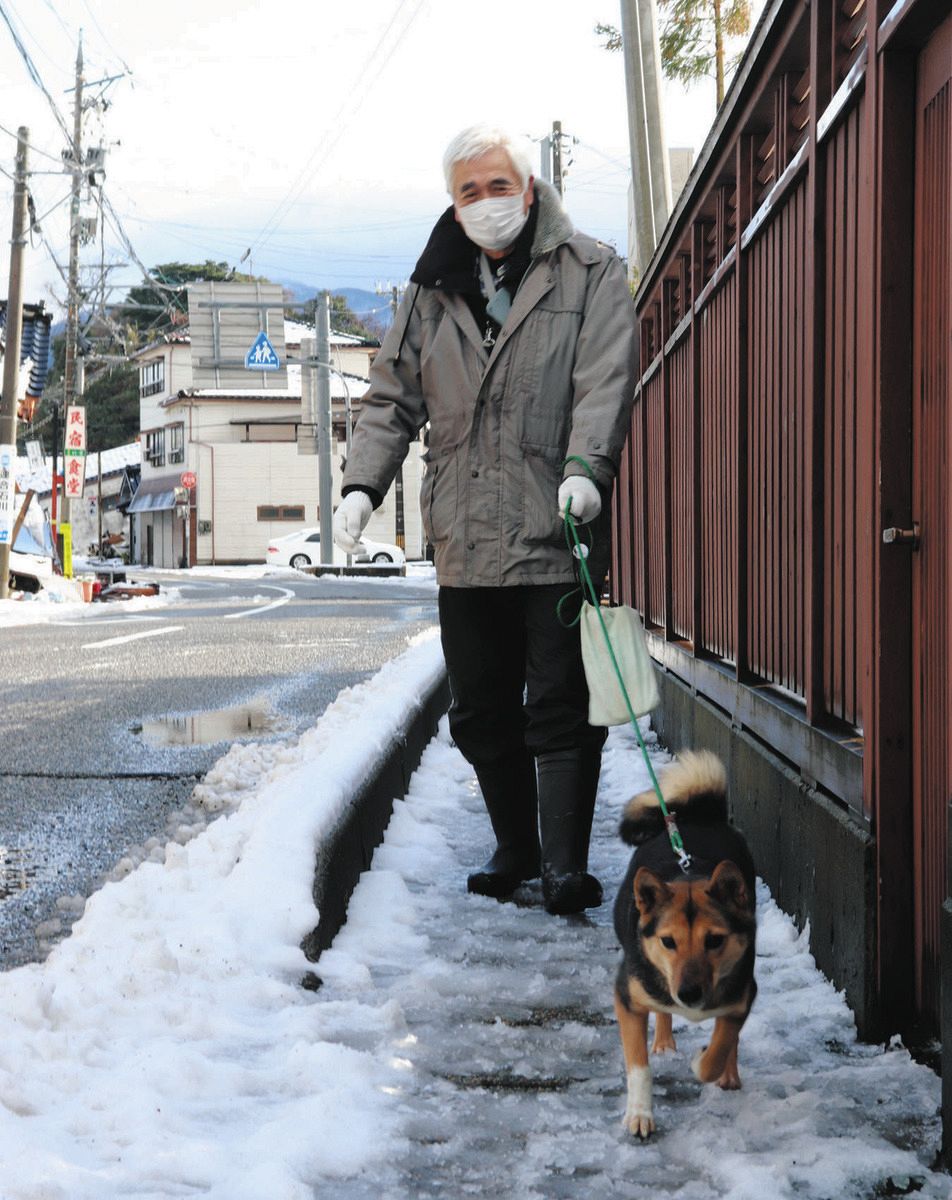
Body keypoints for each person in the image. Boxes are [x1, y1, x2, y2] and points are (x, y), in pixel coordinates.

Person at [333, 124, 639, 915]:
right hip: (464, 535)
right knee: (477, 706)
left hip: (555, 523)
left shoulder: (593, 270)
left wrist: (587, 471)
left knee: (560, 704)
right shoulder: (430, 291)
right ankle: (517, 847)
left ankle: (565, 866)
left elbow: (605, 381)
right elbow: (390, 396)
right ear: (453, 204)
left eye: (498, 186)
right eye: (469, 191)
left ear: (528, 189)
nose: (486, 203)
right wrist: (362, 486)